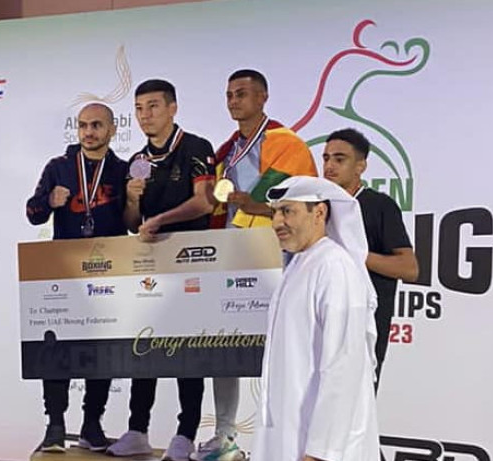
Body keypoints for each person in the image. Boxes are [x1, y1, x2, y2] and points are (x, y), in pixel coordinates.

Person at [195, 69, 317, 461]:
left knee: (283, 351)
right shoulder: (226, 151)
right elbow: (216, 204)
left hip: (275, 260)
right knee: (224, 347)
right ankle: (225, 436)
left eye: (242, 93)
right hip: (232, 258)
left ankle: (289, 440)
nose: (234, 101)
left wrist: (258, 205)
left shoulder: (285, 143)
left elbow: (304, 205)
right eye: (229, 94)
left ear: (263, 97)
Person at [107, 79, 215, 461]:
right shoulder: (137, 159)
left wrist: (161, 220)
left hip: (191, 261)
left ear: (172, 108)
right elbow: (131, 222)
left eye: (153, 106)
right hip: (150, 265)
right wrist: (133, 202)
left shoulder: (196, 147)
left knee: (189, 350)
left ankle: (185, 434)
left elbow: (205, 202)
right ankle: (137, 430)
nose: (145, 115)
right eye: (138, 108)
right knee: (144, 345)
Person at [252, 176, 380, 461]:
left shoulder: (335, 267)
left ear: (319, 212)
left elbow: (343, 365)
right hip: (289, 431)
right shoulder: (300, 262)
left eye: (288, 211)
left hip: (323, 446)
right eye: (275, 212)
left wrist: (321, 451)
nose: (276, 222)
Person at [26, 103, 129, 452]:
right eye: (83, 125)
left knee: (102, 350)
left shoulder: (122, 170)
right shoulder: (58, 167)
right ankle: (55, 425)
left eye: (97, 125)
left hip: (109, 270)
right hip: (64, 271)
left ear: (112, 129)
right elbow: (32, 213)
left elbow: (132, 220)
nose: (89, 132)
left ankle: (91, 423)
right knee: (56, 349)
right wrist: (49, 201)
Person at [322, 128, 418, 391]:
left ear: (360, 166)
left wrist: (355, 254)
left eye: (339, 159)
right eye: (326, 158)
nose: (329, 166)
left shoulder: (380, 206)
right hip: (320, 319)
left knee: (356, 404)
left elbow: (409, 268)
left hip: (363, 324)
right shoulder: (315, 207)